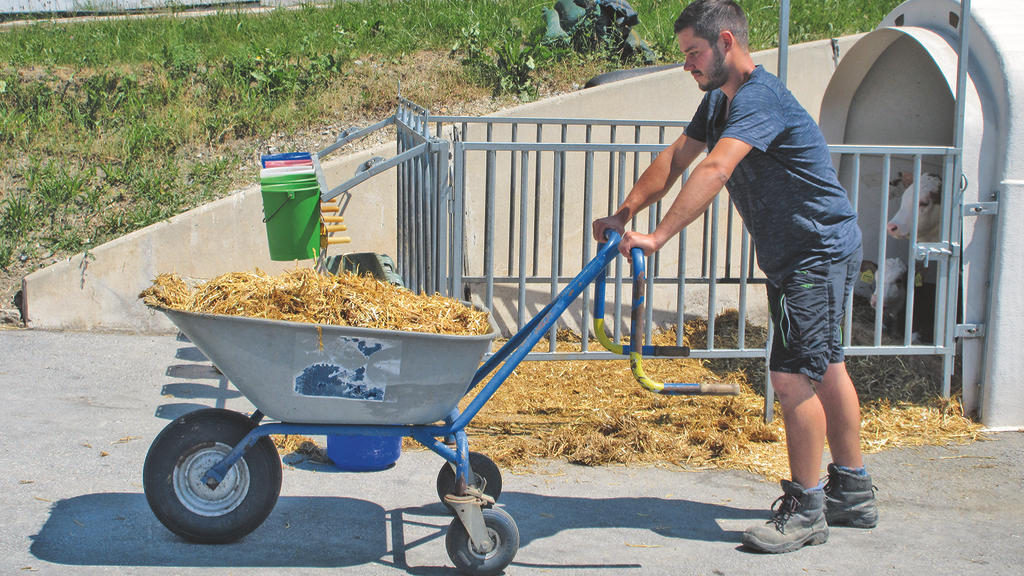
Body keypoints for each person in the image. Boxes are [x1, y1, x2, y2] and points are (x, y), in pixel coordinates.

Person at [592, 0, 877, 554]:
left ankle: (808, 507)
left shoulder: (758, 100)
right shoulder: (720, 102)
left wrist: (658, 237)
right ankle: (853, 493)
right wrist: (626, 213)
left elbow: (716, 168)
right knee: (828, 366)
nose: (686, 65)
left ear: (726, 42)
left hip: (811, 252)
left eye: (693, 53)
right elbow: (678, 157)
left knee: (793, 378)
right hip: (810, 248)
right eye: (684, 56)